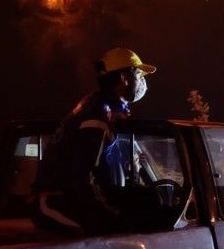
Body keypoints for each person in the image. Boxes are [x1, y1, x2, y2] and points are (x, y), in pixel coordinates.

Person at [33, 47, 156, 235]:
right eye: (139, 75)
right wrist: (109, 212)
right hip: (55, 202)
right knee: (118, 232)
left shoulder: (98, 106)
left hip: (65, 200)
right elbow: (83, 177)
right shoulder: (96, 116)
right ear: (124, 78)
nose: (142, 82)